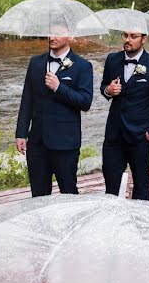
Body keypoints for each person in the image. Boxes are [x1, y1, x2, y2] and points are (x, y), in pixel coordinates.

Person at [16, 28, 93, 198]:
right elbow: (27, 99)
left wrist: (59, 87)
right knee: (38, 196)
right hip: (37, 142)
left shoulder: (82, 66)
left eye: (57, 33)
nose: (51, 37)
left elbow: (85, 102)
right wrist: (21, 133)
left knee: (69, 194)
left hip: (65, 143)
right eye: (50, 32)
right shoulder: (35, 62)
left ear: (71, 36)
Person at [100, 31, 149, 200]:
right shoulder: (112, 60)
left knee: (141, 185)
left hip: (140, 136)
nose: (127, 40)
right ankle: (113, 223)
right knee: (111, 185)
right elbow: (104, 85)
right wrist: (108, 90)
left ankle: (140, 223)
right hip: (114, 135)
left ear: (144, 39)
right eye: (125, 35)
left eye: (133, 37)